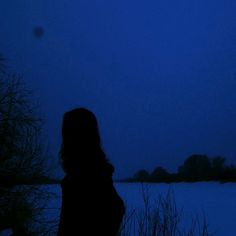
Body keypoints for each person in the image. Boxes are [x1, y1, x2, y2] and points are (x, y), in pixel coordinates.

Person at [57, 108, 125, 235]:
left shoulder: (83, 177)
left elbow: (66, 227)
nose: (64, 141)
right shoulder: (96, 173)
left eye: (66, 134)